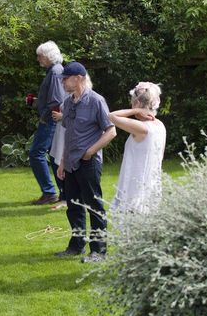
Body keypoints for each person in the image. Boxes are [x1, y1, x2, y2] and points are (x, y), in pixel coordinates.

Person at [56, 62, 116, 263]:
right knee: (73, 206)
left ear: (79, 78)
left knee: (94, 206)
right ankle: (76, 246)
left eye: (66, 78)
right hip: (71, 164)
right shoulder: (68, 103)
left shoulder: (96, 101)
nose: (63, 82)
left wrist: (90, 152)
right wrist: (63, 162)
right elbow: (69, 134)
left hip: (88, 164)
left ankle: (99, 251)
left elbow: (111, 131)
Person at [109, 82, 166, 214]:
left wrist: (136, 111)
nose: (131, 105)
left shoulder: (142, 128)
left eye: (133, 103)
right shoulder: (160, 126)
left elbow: (111, 116)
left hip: (136, 187)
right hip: (151, 184)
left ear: (138, 103)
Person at [29, 41, 66, 205]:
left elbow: (57, 99)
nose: (38, 59)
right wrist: (35, 101)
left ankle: (50, 192)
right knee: (53, 156)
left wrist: (45, 115)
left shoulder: (56, 71)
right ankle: (62, 192)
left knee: (36, 153)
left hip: (50, 119)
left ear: (49, 56)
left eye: (40, 56)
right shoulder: (54, 70)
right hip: (51, 117)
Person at [50, 103, 66, 210]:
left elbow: (82, 116)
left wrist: (63, 117)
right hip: (60, 131)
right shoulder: (69, 97)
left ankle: (67, 198)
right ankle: (63, 195)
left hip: (68, 133)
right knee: (55, 160)